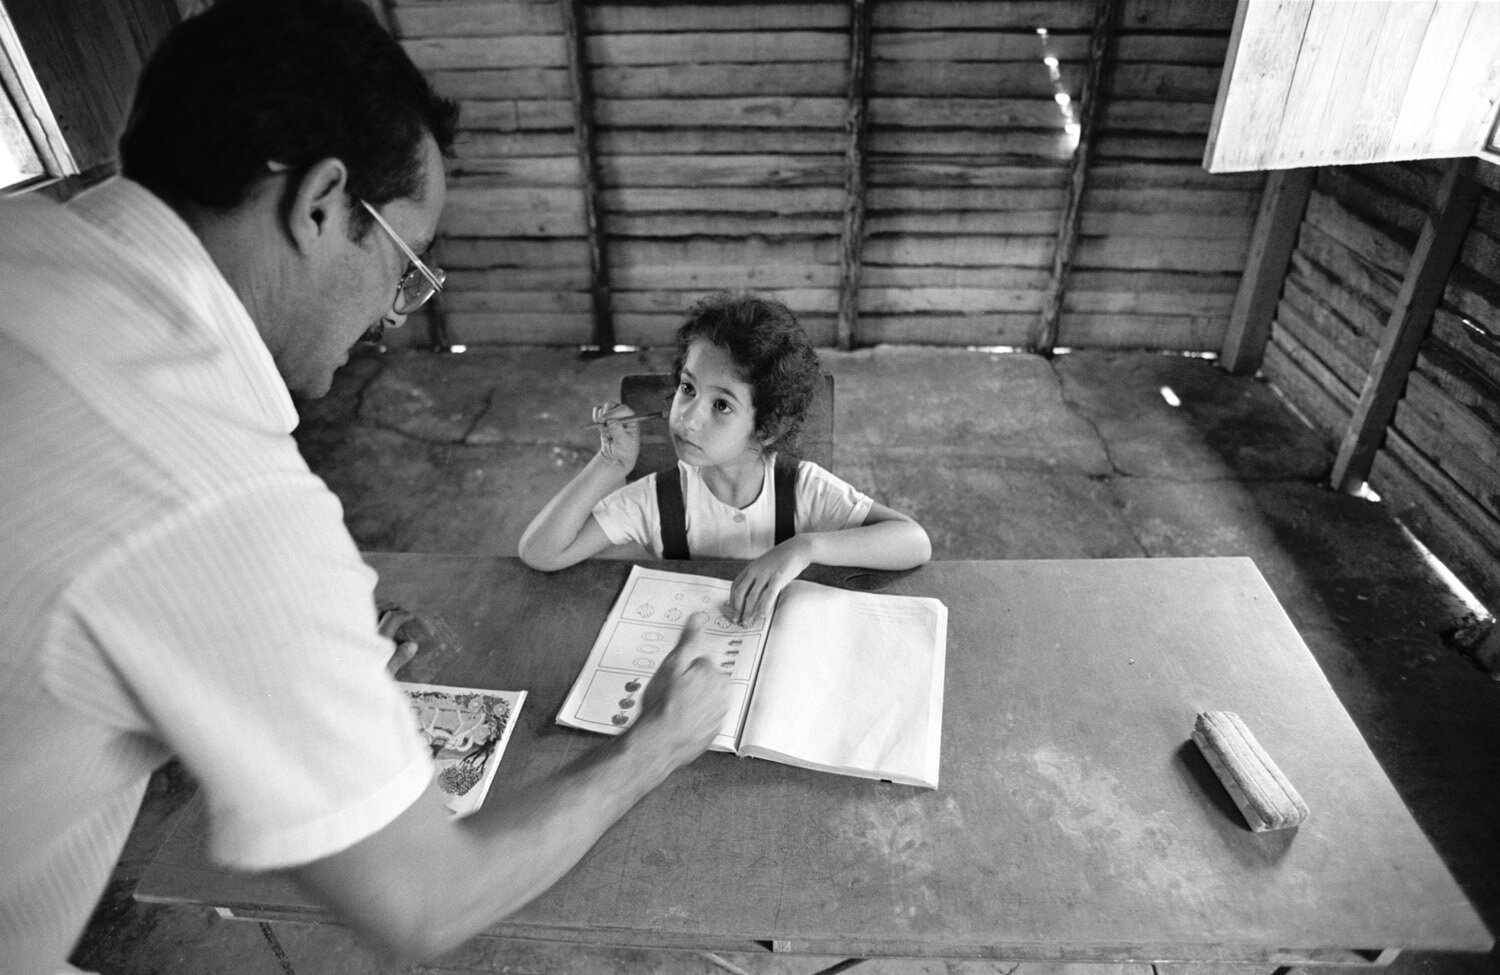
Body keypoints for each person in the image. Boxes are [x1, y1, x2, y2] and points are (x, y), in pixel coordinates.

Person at [0, 0, 733, 969]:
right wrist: (657, 742)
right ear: (320, 204)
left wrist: (252, 642)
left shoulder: (25, 249)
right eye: (405, 266)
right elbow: (426, 903)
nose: (395, 316)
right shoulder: (223, 493)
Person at [518, 292, 933, 623]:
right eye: (688, 388)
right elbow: (541, 553)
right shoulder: (657, 500)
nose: (689, 418)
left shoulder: (802, 489)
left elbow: (914, 542)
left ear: (767, 427)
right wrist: (610, 465)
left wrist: (805, 547)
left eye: (722, 406)